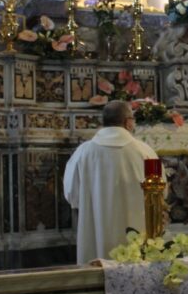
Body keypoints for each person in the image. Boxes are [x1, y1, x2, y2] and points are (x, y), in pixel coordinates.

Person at [64, 100, 159, 264]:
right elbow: (159, 193)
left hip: (95, 231)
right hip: (137, 236)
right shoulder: (144, 151)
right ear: (128, 122)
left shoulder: (83, 152)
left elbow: (72, 194)